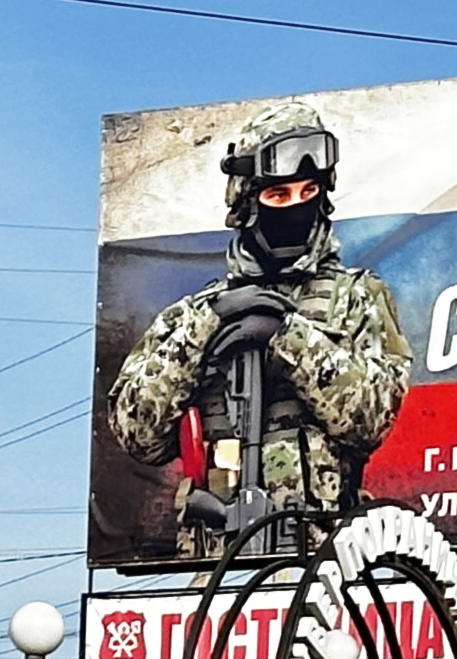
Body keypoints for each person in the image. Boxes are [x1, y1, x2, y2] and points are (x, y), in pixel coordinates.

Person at [106, 100, 413, 561]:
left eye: (309, 191)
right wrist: (206, 326)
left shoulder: (358, 297)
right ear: (248, 203)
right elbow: (136, 434)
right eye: (278, 196)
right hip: (217, 568)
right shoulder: (192, 314)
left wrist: (289, 335)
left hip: (325, 565)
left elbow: (370, 420)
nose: (296, 207)